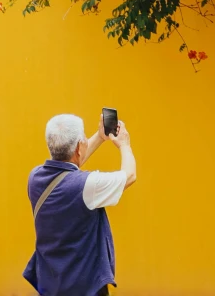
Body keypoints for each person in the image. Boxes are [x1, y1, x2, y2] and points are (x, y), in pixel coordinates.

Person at [23, 112, 137, 296]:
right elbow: (130, 175)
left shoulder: (35, 178)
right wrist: (124, 144)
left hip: (51, 285)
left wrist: (100, 137)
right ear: (78, 147)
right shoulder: (86, 186)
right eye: (83, 138)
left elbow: (71, 165)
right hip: (85, 287)